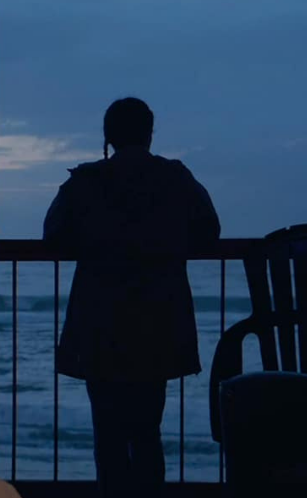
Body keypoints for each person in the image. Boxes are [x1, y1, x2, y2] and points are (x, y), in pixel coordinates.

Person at [43, 97, 220, 497]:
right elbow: (209, 229)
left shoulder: (86, 181)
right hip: (158, 320)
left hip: (99, 321)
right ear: (149, 133)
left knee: (107, 433)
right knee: (146, 429)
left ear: (108, 136)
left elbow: (53, 233)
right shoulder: (175, 179)